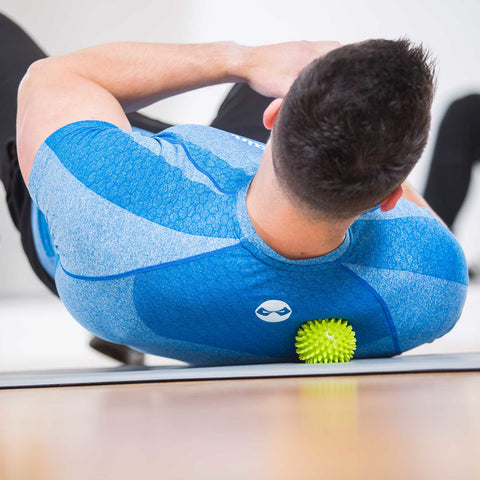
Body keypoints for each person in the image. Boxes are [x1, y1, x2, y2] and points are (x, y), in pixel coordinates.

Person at [1, 12, 468, 366]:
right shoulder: (436, 284)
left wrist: (243, 59)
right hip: (164, 274)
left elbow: (48, 79)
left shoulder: (111, 196)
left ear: (273, 121)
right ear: (389, 196)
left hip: (116, 232)